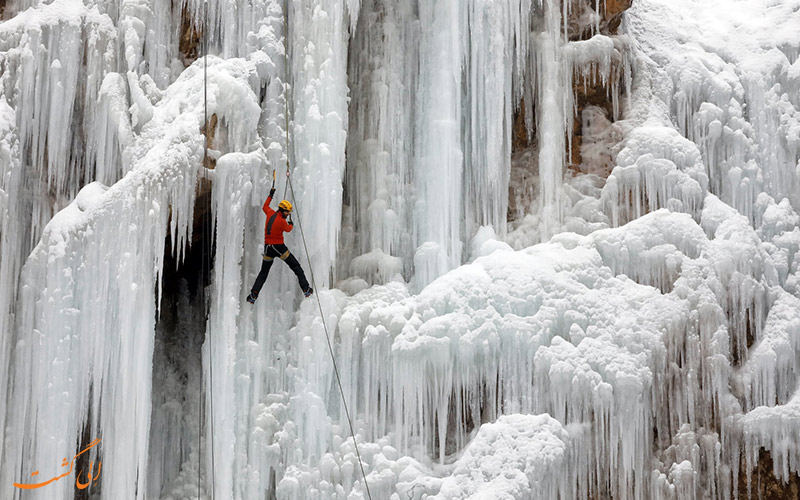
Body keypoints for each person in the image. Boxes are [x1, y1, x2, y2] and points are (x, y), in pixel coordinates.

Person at [246, 187, 313, 303]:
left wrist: (271, 194)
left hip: (268, 248)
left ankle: (253, 295)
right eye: (287, 212)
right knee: (297, 268)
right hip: (278, 247)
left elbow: (265, 206)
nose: (288, 214)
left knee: (263, 273)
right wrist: (291, 224)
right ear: (282, 210)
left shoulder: (270, 213)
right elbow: (288, 229)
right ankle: (306, 289)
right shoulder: (282, 222)